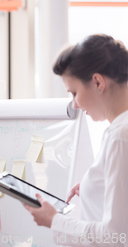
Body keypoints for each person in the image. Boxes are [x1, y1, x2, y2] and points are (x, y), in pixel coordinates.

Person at [24, 34, 128, 247]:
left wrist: (55, 221)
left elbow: (116, 236)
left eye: (74, 93)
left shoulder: (119, 136)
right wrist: (97, 186)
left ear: (98, 82)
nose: (75, 104)